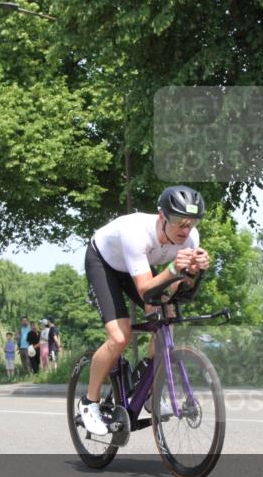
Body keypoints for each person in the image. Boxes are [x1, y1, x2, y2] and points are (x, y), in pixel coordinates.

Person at [78, 185, 211, 435]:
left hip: (141, 267)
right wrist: (173, 270)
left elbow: (175, 293)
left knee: (166, 318)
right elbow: (145, 291)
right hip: (105, 264)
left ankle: (148, 385)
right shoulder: (136, 232)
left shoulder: (191, 239)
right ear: (162, 216)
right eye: (179, 222)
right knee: (120, 336)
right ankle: (89, 402)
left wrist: (194, 272)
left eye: (191, 223)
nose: (185, 230)